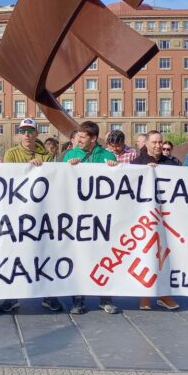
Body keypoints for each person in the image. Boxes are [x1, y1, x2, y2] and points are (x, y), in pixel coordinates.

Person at [0, 118, 60, 314]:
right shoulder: (11, 153)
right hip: (17, 212)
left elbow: (54, 178)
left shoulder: (47, 156)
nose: (26, 135)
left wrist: (41, 168)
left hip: (42, 212)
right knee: (15, 254)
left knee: (44, 253)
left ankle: (49, 295)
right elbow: (9, 178)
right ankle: (11, 296)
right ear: (18, 134)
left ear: (36, 133)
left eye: (30, 131)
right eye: (22, 131)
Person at [64, 121, 119, 315]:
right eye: (78, 135)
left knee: (103, 256)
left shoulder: (107, 156)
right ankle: (78, 299)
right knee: (79, 256)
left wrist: (114, 168)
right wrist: (68, 168)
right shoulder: (69, 155)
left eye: (83, 136)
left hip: (101, 217)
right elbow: (60, 181)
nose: (78, 139)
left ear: (93, 138)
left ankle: (105, 297)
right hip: (77, 216)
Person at [131, 130, 180, 311]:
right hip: (144, 218)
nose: (158, 145)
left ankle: (164, 295)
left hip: (166, 218)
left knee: (165, 255)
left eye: (160, 142)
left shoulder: (172, 163)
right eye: (154, 142)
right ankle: (145, 295)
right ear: (147, 144)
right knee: (145, 254)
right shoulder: (137, 163)